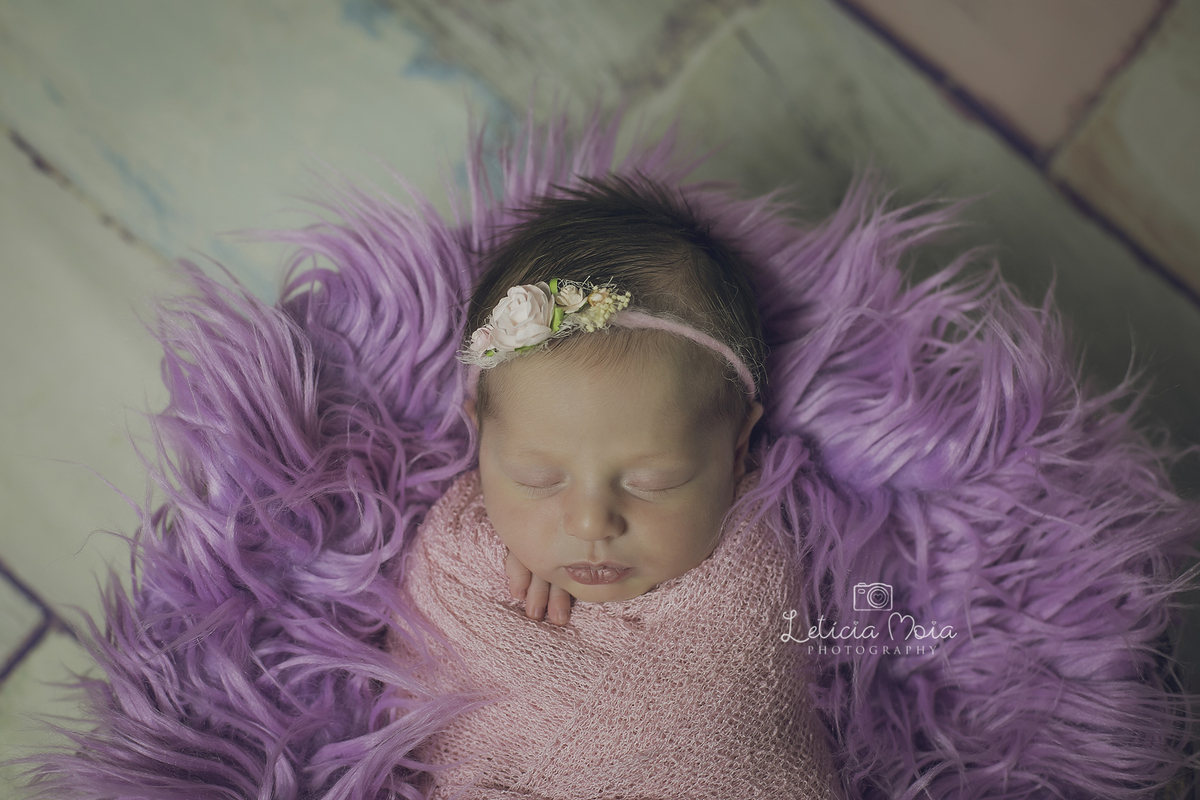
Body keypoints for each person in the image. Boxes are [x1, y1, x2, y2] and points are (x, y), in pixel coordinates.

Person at [391, 175, 841, 798]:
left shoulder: (754, 569)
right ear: (481, 440)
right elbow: (413, 677)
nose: (590, 522)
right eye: (537, 479)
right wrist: (495, 572)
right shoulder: (457, 559)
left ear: (737, 452)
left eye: (655, 481)